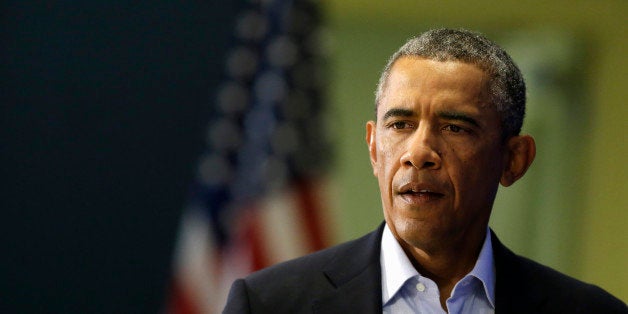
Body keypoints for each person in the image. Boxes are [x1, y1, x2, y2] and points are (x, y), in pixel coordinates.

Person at [223, 28, 627, 313]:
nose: (419, 153)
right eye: (400, 125)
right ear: (374, 148)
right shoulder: (269, 304)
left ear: (513, 160)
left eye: (455, 127)